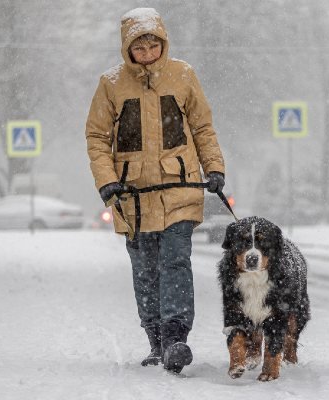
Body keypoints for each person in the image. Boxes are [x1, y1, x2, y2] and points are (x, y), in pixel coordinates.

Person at [85, 8, 226, 373]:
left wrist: (214, 168)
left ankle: (176, 337)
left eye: (153, 45)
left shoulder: (183, 75)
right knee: (146, 271)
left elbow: (203, 128)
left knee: (175, 262)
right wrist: (107, 180)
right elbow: (97, 137)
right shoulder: (111, 84)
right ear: (127, 48)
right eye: (140, 47)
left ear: (162, 43)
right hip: (133, 196)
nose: (147, 53)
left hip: (180, 190)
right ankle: (156, 340)